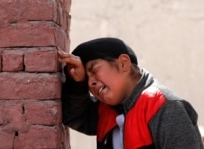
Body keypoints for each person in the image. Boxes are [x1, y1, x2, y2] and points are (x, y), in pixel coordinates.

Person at [58, 37, 204, 149]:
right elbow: (73, 115)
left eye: (93, 70)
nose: (90, 83)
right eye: (86, 78)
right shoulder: (107, 110)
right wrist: (77, 83)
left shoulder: (165, 105)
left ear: (123, 63)